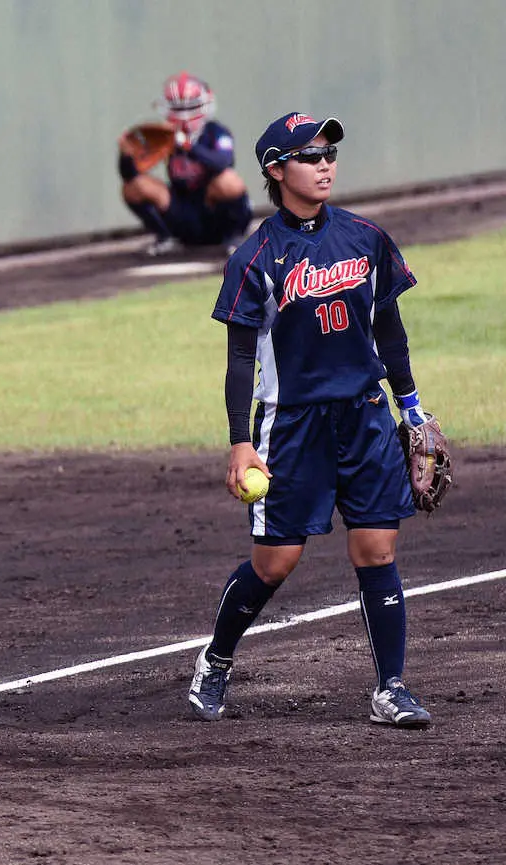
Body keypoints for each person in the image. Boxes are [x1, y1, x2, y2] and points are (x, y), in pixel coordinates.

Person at [188, 112, 435, 728]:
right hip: (292, 424)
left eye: (329, 153)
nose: (324, 164)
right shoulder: (256, 256)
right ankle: (216, 660)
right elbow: (241, 355)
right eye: (309, 155)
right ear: (276, 170)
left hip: (366, 414)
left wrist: (411, 406)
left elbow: (389, 329)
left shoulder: (365, 237)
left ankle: (391, 688)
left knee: (376, 549)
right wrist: (240, 442)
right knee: (275, 562)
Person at [118, 71, 252, 257]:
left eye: (190, 107)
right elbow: (130, 177)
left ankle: (235, 236)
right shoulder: (164, 137)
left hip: (213, 211)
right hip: (183, 210)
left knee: (229, 181)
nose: (184, 116)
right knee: (133, 188)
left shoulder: (216, 132)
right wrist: (126, 156)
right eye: (178, 109)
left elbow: (224, 162)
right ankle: (165, 237)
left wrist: (187, 146)